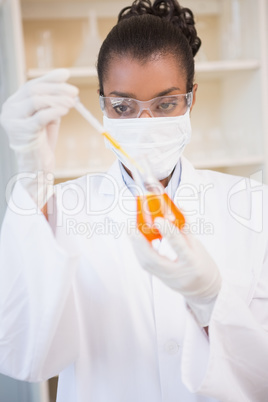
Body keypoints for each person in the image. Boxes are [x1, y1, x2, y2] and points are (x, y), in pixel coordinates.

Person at [0, 0, 268, 401]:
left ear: (191, 97)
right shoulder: (59, 208)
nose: (145, 124)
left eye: (165, 104)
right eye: (123, 107)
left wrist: (212, 300)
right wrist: (30, 178)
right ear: (102, 103)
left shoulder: (250, 205)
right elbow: (22, 356)